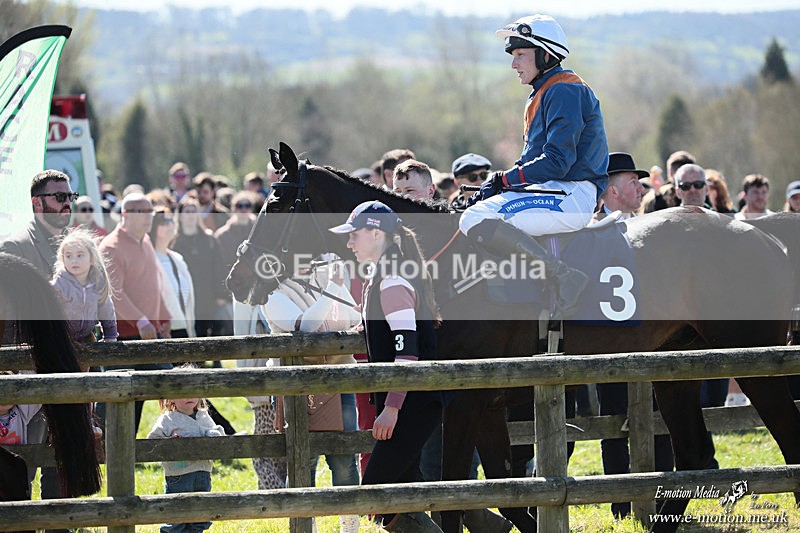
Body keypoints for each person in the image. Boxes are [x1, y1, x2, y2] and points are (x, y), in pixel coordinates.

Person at [459, 14, 608, 317]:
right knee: (475, 210)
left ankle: (564, 276)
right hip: (556, 190)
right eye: (513, 56)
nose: (514, 64)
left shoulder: (564, 90)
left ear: (546, 55)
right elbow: (531, 163)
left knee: (474, 219)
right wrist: (497, 185)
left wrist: (504, 179)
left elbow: (557, 162)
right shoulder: (544, 91)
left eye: (520, 55)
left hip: (571, 194)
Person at [329, 201, 444, 532]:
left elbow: (406, 354)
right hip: (410, 401)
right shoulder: (384, 275)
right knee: (403, 489)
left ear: (376, 233)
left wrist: (391, 408)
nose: (349, 243)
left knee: (376, 491)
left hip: (410, 404)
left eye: (354, 235)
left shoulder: (391, 281)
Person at [263, 254, 361, 533]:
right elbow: (305, 325)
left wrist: (335, 286)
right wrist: (333, 288)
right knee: (302, 461)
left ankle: (349, 527)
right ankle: (306, 527)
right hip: (298, 387)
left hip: (339, 381)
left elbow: (354, 317)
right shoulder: (273, 295)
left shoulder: (324, 283)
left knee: (344, 459)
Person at [0, 169, 77, 514]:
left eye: (70, 197)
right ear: (37, 203)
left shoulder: (76, 245)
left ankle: (59, 523)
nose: (67, 204)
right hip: (26, 370)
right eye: (59, 197)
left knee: (64, 461)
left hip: (70, 366)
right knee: (23, 463)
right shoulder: (14, 247)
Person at [98, 193, 172, 433]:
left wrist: (163, 317)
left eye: (149, 211)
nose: (148, 217)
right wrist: (141, 321)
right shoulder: (111, 247)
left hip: (148, 334)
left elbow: (154, 282)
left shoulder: (145, 240)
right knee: (114, 402)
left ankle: (214, 433)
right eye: (140, 212)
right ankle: (96, 447)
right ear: (125, 215)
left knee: (172, 386)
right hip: (122, 340)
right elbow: (113, 293)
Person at [147, 386, 225, 533]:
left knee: (201, 512)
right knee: (176, 512)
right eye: (182, 394)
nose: (188, 397)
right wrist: (170, 443)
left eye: (192, 392)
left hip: (203, 473)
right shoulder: (168, 419)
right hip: (178, 475)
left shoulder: (204, 416)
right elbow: (152, 442)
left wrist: (213, 435)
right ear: (171, 398)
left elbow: (218, 433)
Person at [172, 197, 230, 338]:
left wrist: (221, 295)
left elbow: (219, 268)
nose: (191, 215)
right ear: (180, 216)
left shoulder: (209, 239)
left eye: (194, 211)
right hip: (185, 299)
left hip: (208, 298)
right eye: (187, 212)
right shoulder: (173, 242)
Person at [52, 228, 118, 345]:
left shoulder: (97, 284)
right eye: (69, 256)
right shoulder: (59, 285)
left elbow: (106, 311)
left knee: (92, 353)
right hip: (60, 338)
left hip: (86, 336)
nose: (74, 261)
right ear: (63, 259)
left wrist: (110, 336)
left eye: (80, 255)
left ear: (92, 259)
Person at [149, 208, 195, 339]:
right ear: (152, 227)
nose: (170, 225)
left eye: (171, 220)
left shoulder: (178, 259)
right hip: (163, 332)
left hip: (183, 329)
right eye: (163, 222)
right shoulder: (149, 259)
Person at [591, 152, 647, 222]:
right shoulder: (592, 227)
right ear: (614, 191)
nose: (641, 188)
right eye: (633, 182)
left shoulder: (642, 224)